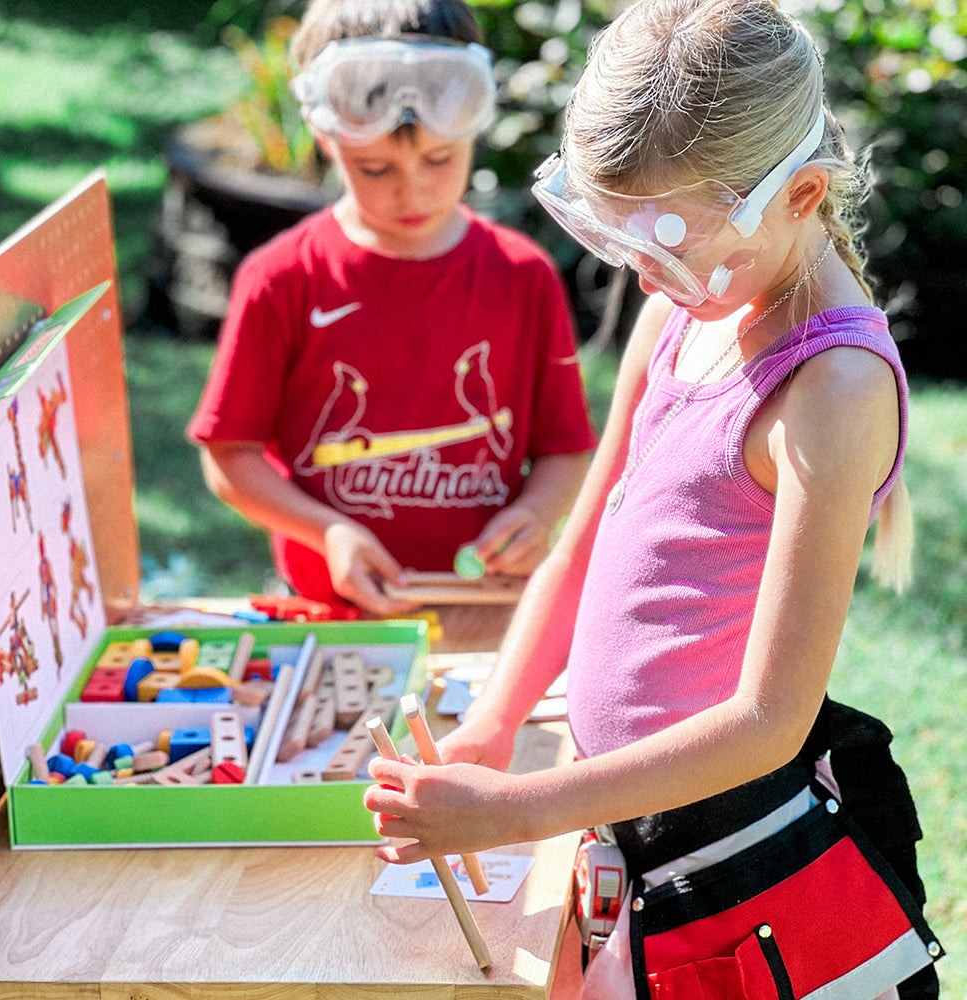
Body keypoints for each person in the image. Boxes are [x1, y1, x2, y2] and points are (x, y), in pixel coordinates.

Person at [365, 1, 942, 996]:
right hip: (626, 832)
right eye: (622, 240)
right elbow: (582, 544)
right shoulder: (684, 309)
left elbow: (767, 716)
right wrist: (497, 722)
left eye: (670, 247)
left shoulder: (832, 391)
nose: (643, 276)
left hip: (725, 860)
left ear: (800, 193)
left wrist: (513, 811)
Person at [187, 0, 596, 617]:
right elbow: (229, 456)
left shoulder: (523, 276)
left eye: (440, 159)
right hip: (334, 614)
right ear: (326, 139)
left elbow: (565, 451)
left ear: (471, 132)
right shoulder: (282, 279)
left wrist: (535, 514)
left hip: (485, 610)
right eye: (375, 168)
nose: (413, 190)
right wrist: (327, 533)